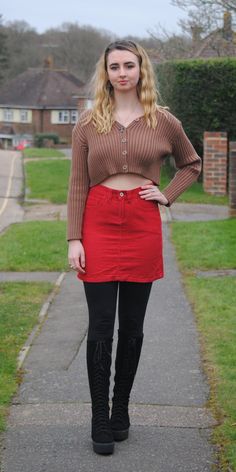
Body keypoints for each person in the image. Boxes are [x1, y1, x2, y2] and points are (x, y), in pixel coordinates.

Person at [67, 40, 201, 455]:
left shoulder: (163, 121)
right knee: (101, 324)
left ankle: (121, 409)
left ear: (141, 70)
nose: (122, 72)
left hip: (141, 222)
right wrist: (75, 238)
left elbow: (190, 164)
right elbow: (76, 185)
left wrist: (168, 194)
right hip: (99, 221)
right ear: (105, 73)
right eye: (114, 66)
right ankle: (99, 418)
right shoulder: (88, 123)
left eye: (129, 65)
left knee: (133, 326)